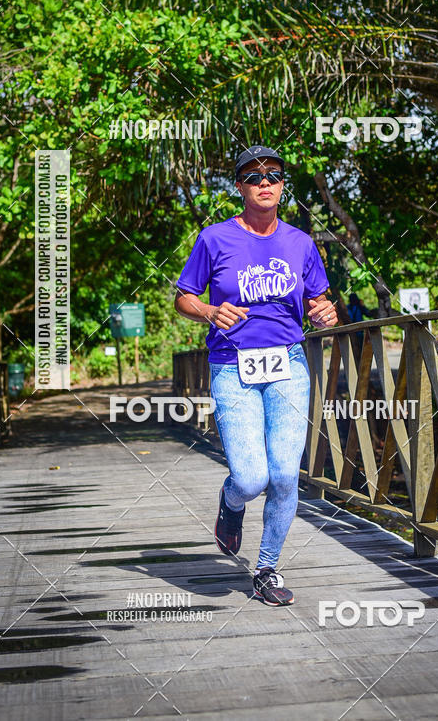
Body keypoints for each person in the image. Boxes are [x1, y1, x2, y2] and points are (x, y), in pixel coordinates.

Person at [174, 145, 338, 606]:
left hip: (288, 363)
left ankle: (266, 570)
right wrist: (208, 310)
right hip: (232, 365)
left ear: (283, 186)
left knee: (285, 475)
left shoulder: (301, 243)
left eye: (274, 175)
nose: (265, 182)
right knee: (249, 478)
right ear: (240, 187)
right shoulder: (214, 239)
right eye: (253, 176)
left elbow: (319, 303)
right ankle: (230, 504)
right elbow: (184, 296)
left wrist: (325, 313)